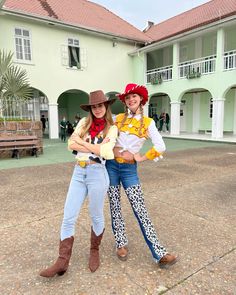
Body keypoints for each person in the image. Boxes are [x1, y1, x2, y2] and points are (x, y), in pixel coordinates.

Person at [39, 90, 118, 277]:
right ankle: (62, 261)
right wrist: (94, 147)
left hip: (97, 173)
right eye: (94, 106)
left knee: (96, 215)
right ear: (90, 109)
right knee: (68, 215)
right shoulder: (84, 123)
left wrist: (83, 143)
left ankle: (94, 250)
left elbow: (106, 152)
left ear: (106, 106)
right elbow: (70, 144)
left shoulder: (111, 127)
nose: (97, 109)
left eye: (100, 105)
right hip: (78, 172)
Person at [106, 83, 177, 269]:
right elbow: (105, 137)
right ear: (125, 101)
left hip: (129, 170)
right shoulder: (117, 118)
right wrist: (112, 148)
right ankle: (120, 243)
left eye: (134, 97)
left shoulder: (148, 122)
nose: (131, 100)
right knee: (114, 206)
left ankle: (158, 252)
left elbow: (161, 146)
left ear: (141, 99)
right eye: (128, 97)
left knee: (140, 209)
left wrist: (141, 157)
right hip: (111, 167)